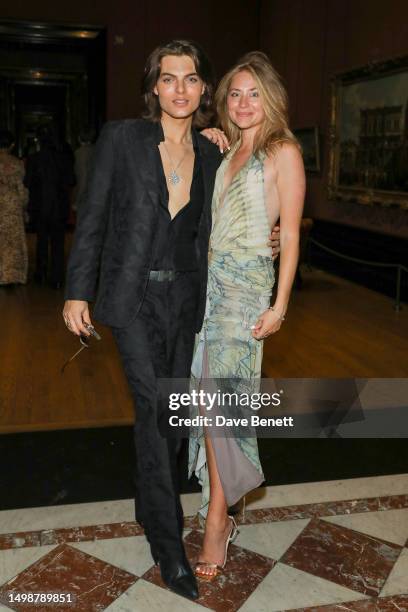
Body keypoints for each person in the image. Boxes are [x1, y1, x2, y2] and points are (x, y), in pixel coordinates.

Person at [62, 40, 280, 601]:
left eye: (190, 79)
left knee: (173, 415)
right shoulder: (122, 139)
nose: (179, 89)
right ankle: (167, 544)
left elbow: (241, 218)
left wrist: (269, 241)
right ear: (154, 87)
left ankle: (145, 500)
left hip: (190, 304)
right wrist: (76, 292)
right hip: (131, 300)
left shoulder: (214, 153)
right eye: (168, 78)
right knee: (156, 411)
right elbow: (93, 217)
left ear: (204, 89)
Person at [189, 52, 305, 580]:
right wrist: (211, 138)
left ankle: (218, 519)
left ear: (271, 98)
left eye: (253, 93)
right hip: (207, 291)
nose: (243, 102)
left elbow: (293, 233)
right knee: (209, 396)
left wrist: (279, 306)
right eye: (235, 93)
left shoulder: (284, 151)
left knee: (221, 400)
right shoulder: (226, 148)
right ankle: (224, 503)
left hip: (245, 294)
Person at [24, 125, 75, 288]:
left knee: (41, 242)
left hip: (39, 207)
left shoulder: (33, 159)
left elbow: (27, 182)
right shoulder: (64, 159)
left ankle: (40, 273)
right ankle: (57, 278)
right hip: (59, 207)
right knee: (58, 244)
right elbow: (72, 180)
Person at [0, 130, 28, 286]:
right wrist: (24, 205)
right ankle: (11, 276)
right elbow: (20, 187)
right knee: (13, 241)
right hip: (11, 204)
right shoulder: (17, 163)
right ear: (11, 145)